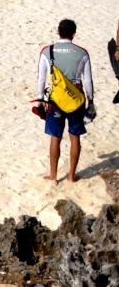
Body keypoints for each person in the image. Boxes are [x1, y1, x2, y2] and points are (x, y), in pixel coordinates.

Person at [36, 19, 95, 183]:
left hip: (55, 100)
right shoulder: (82, 53)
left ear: (58, 31)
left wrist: (40, 99)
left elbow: (41, 79)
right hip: (76, 100)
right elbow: (88, 81)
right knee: (75, 136)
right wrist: (91, 102)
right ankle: (71, 176)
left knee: (55, 137)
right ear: (74, 33)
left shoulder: (47, 51)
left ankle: (54, 176)